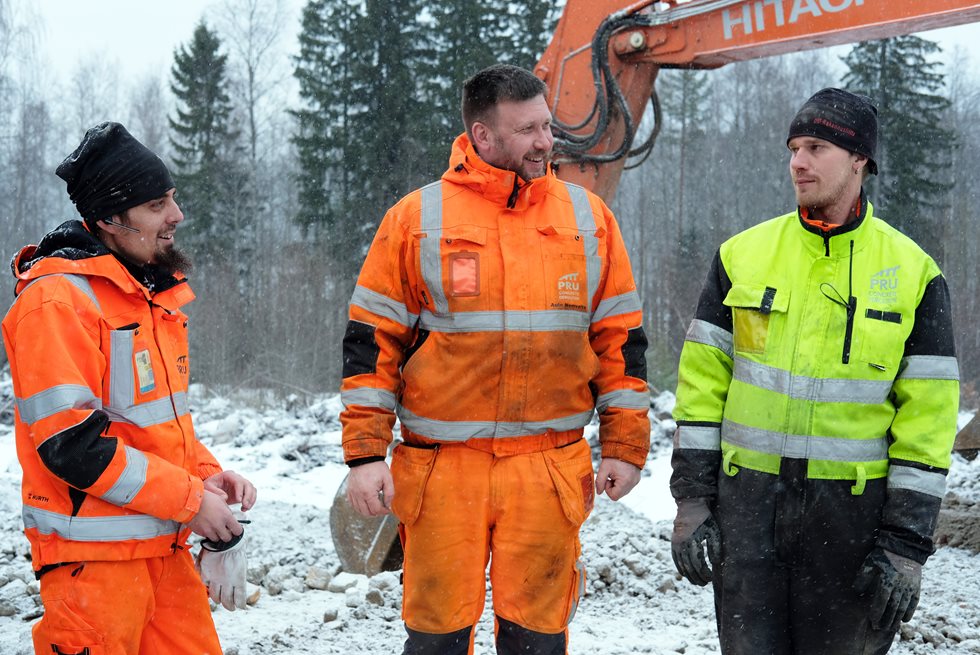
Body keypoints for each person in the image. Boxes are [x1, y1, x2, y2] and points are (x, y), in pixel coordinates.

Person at [340, 64, 651, 654]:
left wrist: (625, 445)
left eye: (547, 125)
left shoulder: (588, 220)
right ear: (483, 137)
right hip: (442, 470)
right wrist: (364, 454)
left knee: (537, 637)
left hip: (547, 467)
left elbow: (621, 342)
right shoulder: (416, 220)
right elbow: (370, 344)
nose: (545, 142)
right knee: (435, 636)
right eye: (528, 129)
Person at [669, 88, 959, 654]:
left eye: (816, 147)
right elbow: (701, 391)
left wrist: (904, 544)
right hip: (747, 514)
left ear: (860, 160)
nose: (797, 161)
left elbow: (928, 424)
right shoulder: (741, 257)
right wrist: (693, 500)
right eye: (793, 147)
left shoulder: (915, 275)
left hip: (853, 526)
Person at [2, 122, 256, 655]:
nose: (176, 216)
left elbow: (150, 427)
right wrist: (192, 502)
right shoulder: (57, 302)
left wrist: (207, 478)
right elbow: (72, 447)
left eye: (173, 198)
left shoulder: (145, 298)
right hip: (93, 570)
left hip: (162, 554)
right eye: (157, 204)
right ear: (110, 220)